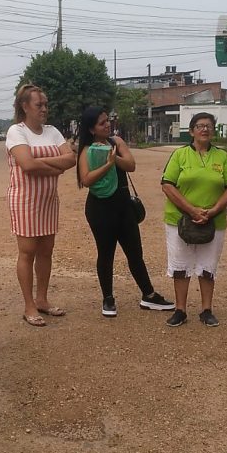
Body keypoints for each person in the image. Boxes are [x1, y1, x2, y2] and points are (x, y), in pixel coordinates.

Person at [76, 106, 173, 317]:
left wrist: (114, 159)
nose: (107, 124)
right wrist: (107, 165)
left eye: (107, 120)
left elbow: (131, 165)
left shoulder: (116, 142)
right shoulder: (86, 149)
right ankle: (108, 299)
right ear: (92, 129)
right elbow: (86, 179)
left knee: (135, 253)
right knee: (105, 254)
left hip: (123, 206)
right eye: (102, 123)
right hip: (99, 208)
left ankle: (148, 295)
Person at [160, 112, 227, 327]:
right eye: (200, 126)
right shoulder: (180, 155)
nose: (204, 129)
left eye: (208, 126)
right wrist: (192, 210)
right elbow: (168, 184)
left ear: (213, 130)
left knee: (207, 266)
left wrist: (213, 211)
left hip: (214, 220)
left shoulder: (222, 157)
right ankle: (180, 309)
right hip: (179, 219)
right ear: (192, 130)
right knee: (180, 264)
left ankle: (206, 309)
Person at [6, 84, 76, 326]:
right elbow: (27, 166)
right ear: (25, 106)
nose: (44, 109)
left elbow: (71, 159)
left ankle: (42, 299)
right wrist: (57, 166)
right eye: (39, 105)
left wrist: (40, 161)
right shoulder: (17, 131)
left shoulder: (52, 131)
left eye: (45, 104)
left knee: (47, 251)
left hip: (48, 201)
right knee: (27, 252)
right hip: (25, 201)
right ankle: (29, 306)